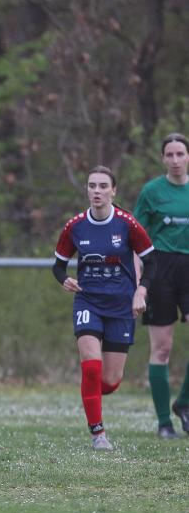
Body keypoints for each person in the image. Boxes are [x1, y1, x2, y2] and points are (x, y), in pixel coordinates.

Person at [53, 165, 156, 450]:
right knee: (91, 369)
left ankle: (91, 393)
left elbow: (152, 261)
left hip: (121, 305)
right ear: (86, 190)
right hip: (88, 301)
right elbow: (58, 266)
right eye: (91, 186)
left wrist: (141, 291)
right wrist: (65, 280)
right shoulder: (75, 226)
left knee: (109, 381)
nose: (96, 191)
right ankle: (98, 434)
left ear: (113, 191)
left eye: (102, 186)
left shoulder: (127, 224)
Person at [133, 133, 189, 438]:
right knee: (163, 348)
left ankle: (184, 403)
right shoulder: (152, 192)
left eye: (181, 153)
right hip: (161, 270)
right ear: (163, 158)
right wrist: (139, 282)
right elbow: (135, 239)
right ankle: (164, 422)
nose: (176, 160)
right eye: (170, 154)